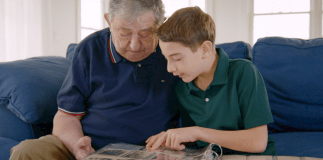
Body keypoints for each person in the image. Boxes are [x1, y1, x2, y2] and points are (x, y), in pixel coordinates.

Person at [10, 0, 179, 159]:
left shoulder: (175, 51)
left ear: (161, 24)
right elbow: (66, 116)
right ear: (109, 21)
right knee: (27, 151)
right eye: (125, 33)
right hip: (91, 149)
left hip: (152, 152)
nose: (135, 45)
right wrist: (77, 146)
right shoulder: (90, 49)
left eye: (146, 33)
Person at [145, 6, 277, 155]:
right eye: (166, 59)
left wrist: (196, 132)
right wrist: (172, 142)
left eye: (176, 58)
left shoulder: (243, 73)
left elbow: (258, 142)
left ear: (205, 49)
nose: (169, 68)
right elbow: (196, 143)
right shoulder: (183, 87)